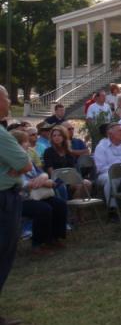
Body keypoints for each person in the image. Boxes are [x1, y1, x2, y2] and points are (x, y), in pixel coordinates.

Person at [0, 85, 32, 325]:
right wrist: (12, 171)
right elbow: (25, 163)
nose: (10, 101)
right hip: (4, 200)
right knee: (3, 253)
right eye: (7, 97)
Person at [11, 129, 68, 256]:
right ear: (17, 144)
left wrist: (42, 179)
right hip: (21, 199)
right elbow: (21, 183)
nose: (29, 143)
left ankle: (53, 238)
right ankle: (37, 244)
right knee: (43, 209)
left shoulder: (27, 157)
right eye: (25, 141)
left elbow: (41, 173)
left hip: (38, 194)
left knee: (59, 204)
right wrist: (40, 182)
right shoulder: (11, 161)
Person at [43, 125, 92, 201]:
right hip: (56, 180)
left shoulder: (68, 151)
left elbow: (72, 168)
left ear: (64, 137)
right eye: (54, 135)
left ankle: (76, 207)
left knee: (87, 183)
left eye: (59, 135)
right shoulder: (48, 151)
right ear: (51, 138)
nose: (57, 137)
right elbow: (50, 170)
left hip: (69, 178)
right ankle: (74, 208)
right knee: (79, 186)